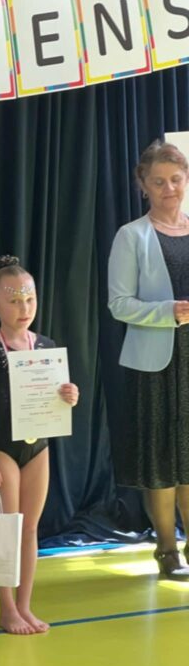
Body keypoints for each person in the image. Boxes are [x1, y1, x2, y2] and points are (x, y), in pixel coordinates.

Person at [0, 255, 79, 634]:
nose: (24, 308)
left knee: (30, 529)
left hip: (38, 446)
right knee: (8, 529)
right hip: (4, 448)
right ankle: (6, 609)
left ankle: (24, 605)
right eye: (14, 301)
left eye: (30, 299)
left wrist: (69, 395)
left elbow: (56, 396)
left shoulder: (46, 346)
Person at [108, 139, 189, 579]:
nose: (169, 188)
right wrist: (168, 312)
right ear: (143, 185)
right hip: (155, 365)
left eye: (176, 179)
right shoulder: (131, 236)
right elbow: (119, 304)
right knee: (161, 461)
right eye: (159, 182)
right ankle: (166, 550)